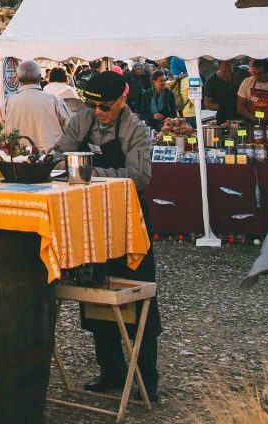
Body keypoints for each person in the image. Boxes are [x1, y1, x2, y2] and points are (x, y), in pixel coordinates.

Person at [55, 72, 160, 398]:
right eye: (93, 104)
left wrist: (88, 171)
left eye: (104, 106)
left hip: (129, 223)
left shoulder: (135, 130)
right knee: (96, 295)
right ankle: (111, 371)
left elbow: (139, 176)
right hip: (92, 223)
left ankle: (146, 377)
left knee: (138, 298)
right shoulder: (80, 121)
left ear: (121, 101)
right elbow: (60, 157)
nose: (98, 111)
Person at [0, 59, 70, 151]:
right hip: (51, 159)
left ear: (17, 78)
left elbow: (1, 133)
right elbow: (69, 129)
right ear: (40, 77)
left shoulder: (7, 103)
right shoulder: (54, 100)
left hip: (18, 160)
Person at [202, 58, 244, 122]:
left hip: (242, 117)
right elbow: (207, 104)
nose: (229, 67)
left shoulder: (241, 74)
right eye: (226, 65)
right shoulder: (211, 81)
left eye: (231, 64)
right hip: (223, 119)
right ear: (218, 66)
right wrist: (225, 108)